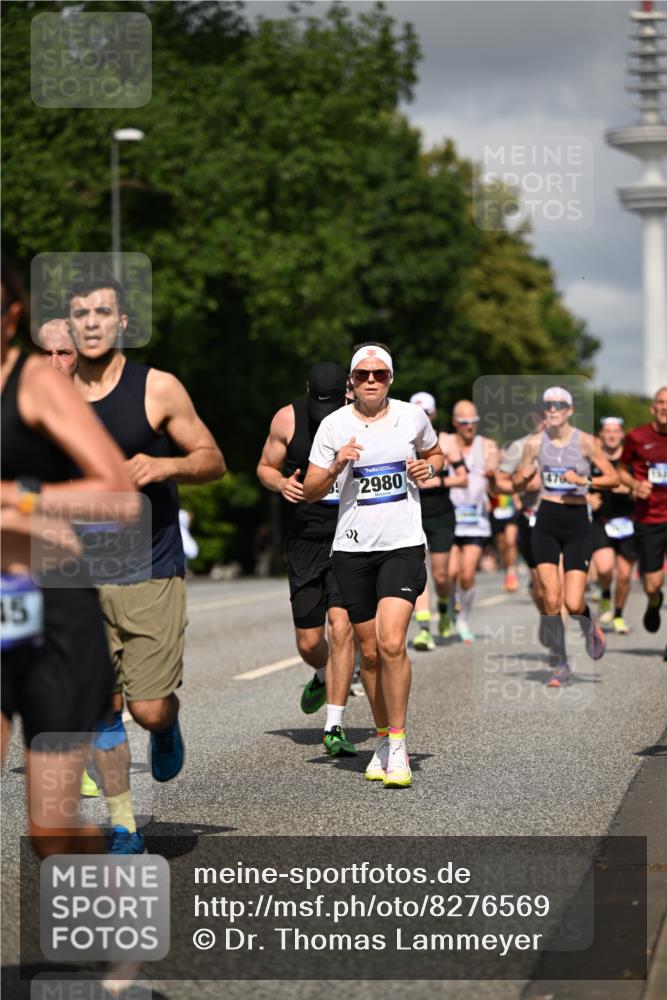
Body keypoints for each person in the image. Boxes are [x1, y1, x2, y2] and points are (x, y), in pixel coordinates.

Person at [68, 274, 225, 853]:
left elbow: (212, 459)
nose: (91, 322)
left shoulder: (157, 389)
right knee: (100, 705)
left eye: (101, 311)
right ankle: (123, 825)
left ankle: (166, 725)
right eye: (80, 312)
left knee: (148, 708)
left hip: (149, 568)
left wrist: (165, 467)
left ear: (123, 322)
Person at [1, 261, 138, 858]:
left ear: (11, 316)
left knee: (51, 836)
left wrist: (21, 497)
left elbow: (119, 496)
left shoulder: (36, 383)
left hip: (51, 608)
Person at [304, 343, 444, 788]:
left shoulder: (411, 417)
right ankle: (381, 739)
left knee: (391, 643)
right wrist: (336, 466)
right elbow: (310, 490)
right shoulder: (333, 425)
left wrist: (429, 470)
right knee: (368, 653)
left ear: (390, 379)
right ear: (352, 380)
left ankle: (398, 746)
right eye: (363, 374)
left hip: (402, 544)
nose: (371, 380)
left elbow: (436, 454)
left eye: (379, 374)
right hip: (352, 549)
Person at [257, 362, 356, 755]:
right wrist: (281, 482)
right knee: (310, 641)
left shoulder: (361, 419)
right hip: (305, 538)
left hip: (350, 534)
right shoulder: (287, 418)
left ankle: (334, 725)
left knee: (342, 628)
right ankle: (322, 673)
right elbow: (265, 467)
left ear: (347, 389)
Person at [512, 387, 619, 687]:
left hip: (576, 523)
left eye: (559, 404)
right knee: (550, 597)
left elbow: (613, 478)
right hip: (546, 519)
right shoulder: (535, 443)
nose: (552, 409)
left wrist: (584, 480)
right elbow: (516, 482)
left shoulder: (585, 441)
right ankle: (561, 663)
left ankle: (589, 625)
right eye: (548, 405)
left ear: (569, 410)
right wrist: (522, 479)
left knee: (573, 603)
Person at [408, 392, 467, 651]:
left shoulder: (446, 442)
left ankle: (444, 608)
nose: (422, 418)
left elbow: (463, 478)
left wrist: (438, 480)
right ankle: (423, 629)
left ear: (433, 415)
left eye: (426, 413)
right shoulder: (401, 439)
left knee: (441, 575)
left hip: (441, 514)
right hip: (412, 512)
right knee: (417, 571)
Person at [619, 387, 667, 656]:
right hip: (649, 519)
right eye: (660, 402)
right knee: (652, 584)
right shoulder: (637, 437)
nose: (665, 407)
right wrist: (635, 485)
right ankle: (654, 602)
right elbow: (621, 471)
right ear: (653, 408)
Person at [448, 400, 498, 643]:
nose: (469, 426)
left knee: (467, 574)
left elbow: (496, 482)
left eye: (473, 422)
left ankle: (463, 619)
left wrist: (493, 473)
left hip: (476, 520)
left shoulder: (487, 446)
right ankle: (449, 607)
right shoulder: (445, 444)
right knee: (448, 573)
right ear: (455, 422)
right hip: (449, 517)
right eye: (464, 422)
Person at [588, 417, 636, 634]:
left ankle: (618, 615)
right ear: (601, 435)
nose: (611, 435)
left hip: (628, 522)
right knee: (604, 568)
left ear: (622, 434)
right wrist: (588, 498)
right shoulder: (593, 460)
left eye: (615, 431)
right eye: (607, 431)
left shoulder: (631, 460)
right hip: (601, 522)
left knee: (624, 575)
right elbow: (578, 484)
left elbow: (643, 488)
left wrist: (630, 490)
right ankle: (605, 593)